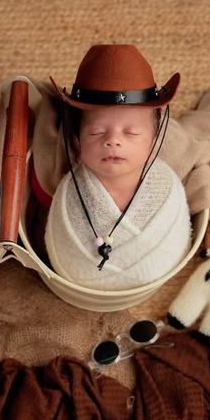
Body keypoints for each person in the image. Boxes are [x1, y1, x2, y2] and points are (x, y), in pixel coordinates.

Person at [43, 44, 192, 290]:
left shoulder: (166, 187)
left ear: (153, 139)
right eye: (97, 131)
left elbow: (174, 239)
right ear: (77, 139)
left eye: (131, 132)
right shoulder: (69, 190)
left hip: (151, 283)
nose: (113, 140)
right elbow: (60, 243)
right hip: (77, 288)